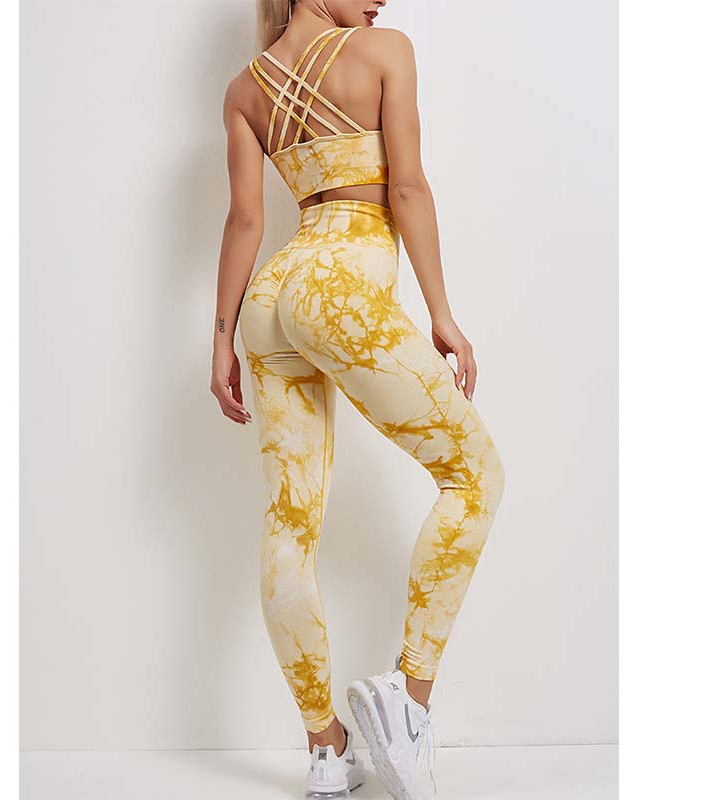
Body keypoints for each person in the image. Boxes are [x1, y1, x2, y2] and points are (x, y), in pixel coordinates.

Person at [210, 2, 506, 797]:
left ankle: (326, 751)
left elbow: (245, 220)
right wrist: (442, 313)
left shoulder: (245, 87)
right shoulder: (383, 52)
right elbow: (405, 186)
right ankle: (408, 701)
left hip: (271, 295)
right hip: (338, 286)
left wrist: (221, 341)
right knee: (476, 477)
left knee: (289, 524)